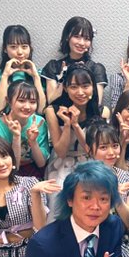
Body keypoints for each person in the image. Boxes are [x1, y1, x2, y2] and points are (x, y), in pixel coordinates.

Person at [86, 120, 129, 257]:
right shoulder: (81, 178)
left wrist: (116, 197)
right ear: (90, 150)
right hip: (87, 241)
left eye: (115, 146)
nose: (111, 152)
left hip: (118, 242)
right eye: (103, 147)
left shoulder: (127, 177)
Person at [44, 64, 101, 221]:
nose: (80, 92)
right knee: (58, 196)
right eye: (74, 87)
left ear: (93, 88)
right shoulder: (52, 111)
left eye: (85, 86)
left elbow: (92, 151)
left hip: (89, 161)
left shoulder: (101, 112)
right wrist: (67, 124)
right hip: (60, 163)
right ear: (66, 88)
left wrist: (76, 125)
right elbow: (61, 152)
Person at [0, 81, 50, 178]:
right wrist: (16, 137)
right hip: (2, 174)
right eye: (21, 101)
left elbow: (41, 164)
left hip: (32, 172)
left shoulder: (39, 123)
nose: (27, 106)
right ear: (8, 101)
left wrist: (33, 142)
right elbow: (12, 168)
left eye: (33, 102)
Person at [41, 16, 108, 107]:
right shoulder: (54, 66)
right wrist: (63, 78)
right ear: (67, 37)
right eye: (77, 37)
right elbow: (51, 101)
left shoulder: (96, 69)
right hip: (60, 113)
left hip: (87, 114)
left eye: (87, 39)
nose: (81, 43)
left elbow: (97, 103)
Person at [0, 24, 46, 113]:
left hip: (31, 121)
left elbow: (41, 110)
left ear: (30, 48)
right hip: (3, 121)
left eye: (24, 47)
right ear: (5, 49)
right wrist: (5, 76)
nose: (20, 52)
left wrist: (36, 77)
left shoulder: (40, 75)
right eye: (13, 47)